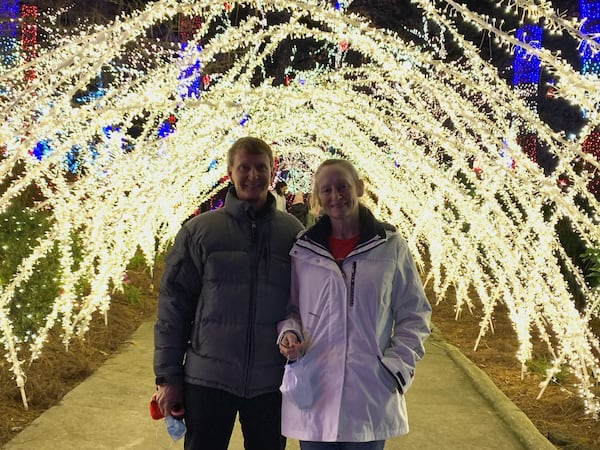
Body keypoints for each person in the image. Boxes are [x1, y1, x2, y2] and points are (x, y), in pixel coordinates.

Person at [153, 136, 304, 450]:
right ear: (230, 172)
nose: (253, 175)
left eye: (261, 167)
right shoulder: (200, 231)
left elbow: (304, 303)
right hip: (208, 380)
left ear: (272, 171)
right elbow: (173, 308)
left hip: (271, 382)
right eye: (244, 167)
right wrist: (168, 378)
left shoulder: (292, 234)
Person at [277, 158, 432, 450]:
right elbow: (291, 309)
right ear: (317, 199)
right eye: (326, 190)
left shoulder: (389, 245)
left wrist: (397, 366)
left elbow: (415, 313)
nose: (335, 196)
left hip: (368, 391)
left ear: (359, 188)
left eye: (343, 187)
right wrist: (290, 333)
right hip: (315, 387)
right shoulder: (303, 250)